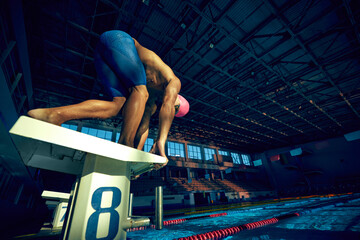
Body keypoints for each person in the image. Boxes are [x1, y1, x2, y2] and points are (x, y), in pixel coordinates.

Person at [27, 30, 185, 168]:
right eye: (176, 108)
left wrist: (137, 156)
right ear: (178, 98)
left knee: (118, 106)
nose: (172, 109)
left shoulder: (151, 103)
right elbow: (168, 106)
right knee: (140, 91)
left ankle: (53, 115)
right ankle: (124, 143)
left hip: (103, 53)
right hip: (119, 40)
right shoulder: (172, 81)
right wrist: (160, 141)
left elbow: (143, 126)